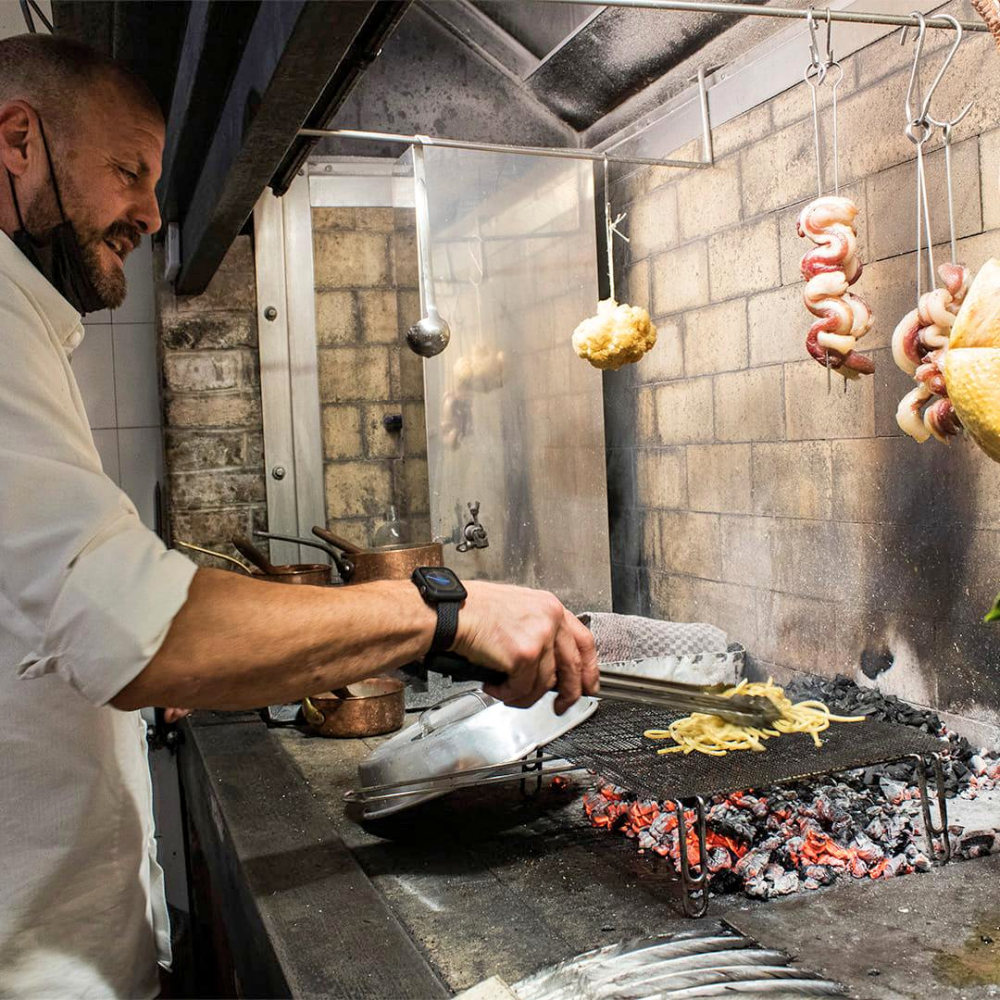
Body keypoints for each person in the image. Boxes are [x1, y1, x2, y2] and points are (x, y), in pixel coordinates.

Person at [0, 33, 598, 999]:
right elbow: (136, 628)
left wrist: (158, 658)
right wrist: (442, 609)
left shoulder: (28, 330)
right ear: (16, 142)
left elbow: (67, 612)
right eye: (127, 172)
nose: (152, 213)